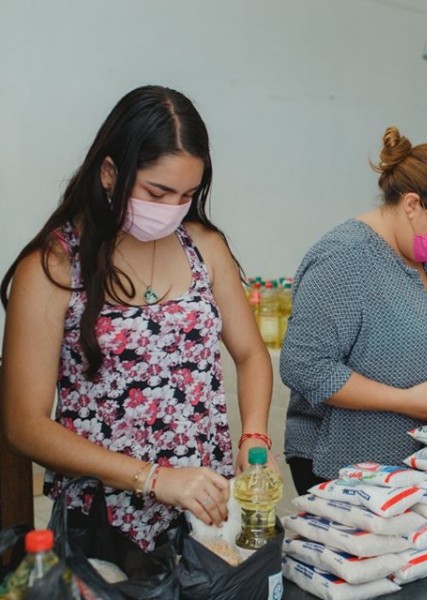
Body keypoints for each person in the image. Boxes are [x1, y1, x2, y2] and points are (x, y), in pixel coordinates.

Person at [0, 86, 273, 552]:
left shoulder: (203, 246)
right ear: (110, 173)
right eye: (157, 192)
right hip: (105, 518)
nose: (171, 210)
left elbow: (250, 354)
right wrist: (153, 479)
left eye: (186, 195)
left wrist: (254, 433)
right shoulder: (54, 267)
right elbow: (25, 425)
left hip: (206, 510)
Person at [280, 126, 427, 494]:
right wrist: (404, 402)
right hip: (345, 465)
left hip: (417, 462)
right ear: (412, 205)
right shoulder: (345, 257)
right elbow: (305, 366)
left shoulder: (426, 255)